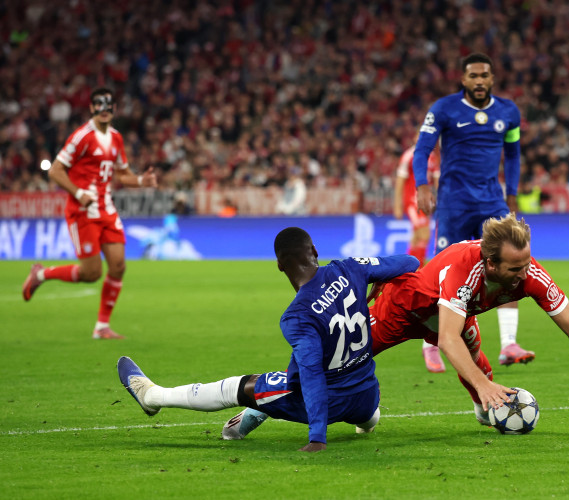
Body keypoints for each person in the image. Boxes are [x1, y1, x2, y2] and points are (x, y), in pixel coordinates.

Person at [227, 214, 569, 440]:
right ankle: (261, 407)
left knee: (475, 350)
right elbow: (447, 340)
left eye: (527, 264)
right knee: (330, 358)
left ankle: (485, 411)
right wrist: (483, 382)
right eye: (516, 268)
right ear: (491, 264)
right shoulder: (464, 271)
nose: (526, 273)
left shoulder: (530, 274)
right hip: (404, 306)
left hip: (447, 314)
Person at [117, 227, 420, 452]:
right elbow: (409, 262)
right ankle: (268, 410)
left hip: (330, 402)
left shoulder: (298, 315)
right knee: (364, 414)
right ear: (314, 250)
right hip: (367, 394)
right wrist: (379, 278)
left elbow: (312, 376)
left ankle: (153, 397)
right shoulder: (350, 267)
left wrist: (317, 438)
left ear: (279, 265)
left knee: (241, 387)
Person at [412, 52, 534, 367]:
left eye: (484, 75)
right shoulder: (444, 109)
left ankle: (509, 344)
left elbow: (513, 154)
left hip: (492, 201)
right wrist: (422, 184)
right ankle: (430, 342)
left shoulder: (508, 112)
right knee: (441, 272)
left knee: (510, 264)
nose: (479, 81)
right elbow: (422, 149)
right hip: (454, 203)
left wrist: (512, 192)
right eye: (473, 76)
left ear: (492, 78)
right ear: (463, 79)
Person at [21, 87, 157, 339]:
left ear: (114, 109)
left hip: (106, 208)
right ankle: (40, 274)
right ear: (92, 108)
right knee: (91, 273)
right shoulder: (81, 137)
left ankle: (102, 327)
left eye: (108, 104)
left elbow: (122, 174)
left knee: (118, 266)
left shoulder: (116, 138)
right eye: (99, 104)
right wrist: (78, 193)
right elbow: (55, 170)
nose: (104, 109)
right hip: (83, 211)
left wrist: (141, 181)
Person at [393, 139, 444, 373]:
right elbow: (400, 181)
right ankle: (413, 272)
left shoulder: (433, 158)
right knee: (422, 233)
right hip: (411, 200)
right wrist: (397, 205)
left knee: (420, 238)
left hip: (425, 200)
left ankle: (406, 273)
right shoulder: (410, 154)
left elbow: (436, 180)